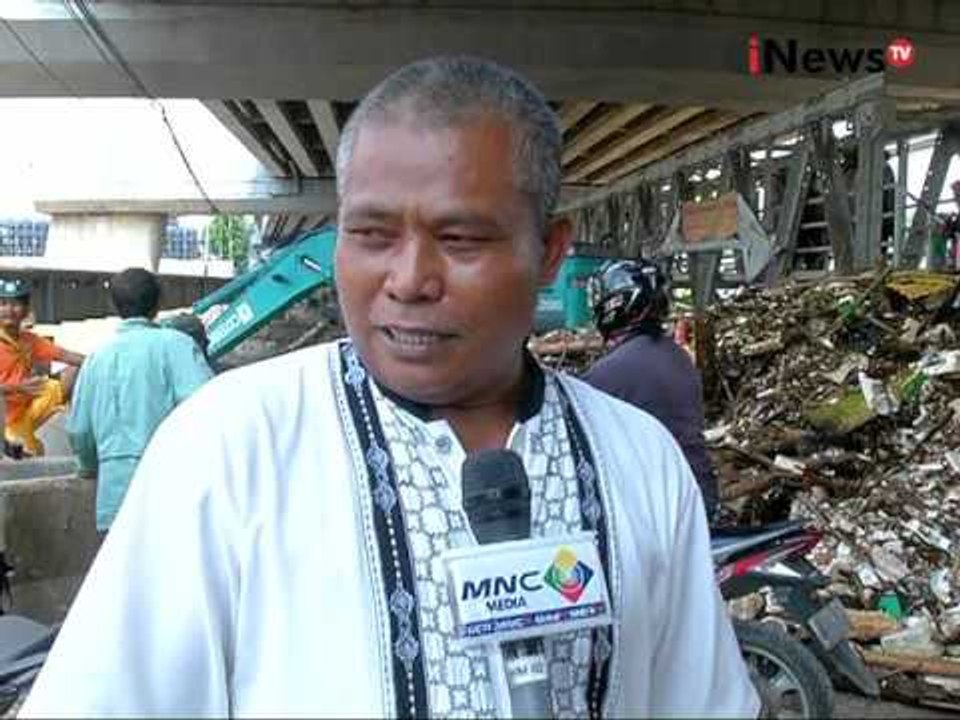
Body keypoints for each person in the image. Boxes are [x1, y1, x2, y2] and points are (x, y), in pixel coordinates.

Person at [23, 57, 758, 718]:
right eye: (372, 235)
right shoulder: (228, 447)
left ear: (550, 253)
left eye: (462, 239)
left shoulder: (640, 459)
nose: (408, 281)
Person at [65, 268, 214, 535]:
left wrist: (88, 466)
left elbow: (80, 430)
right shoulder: (177, 345)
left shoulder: (96, 358)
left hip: (115, 499)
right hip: (172, 493)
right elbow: (208, 410)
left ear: (113, 304)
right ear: (158, 303)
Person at [583, 259, 720, 520]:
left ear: (613, 304)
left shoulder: (610, 372)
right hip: (698, 494)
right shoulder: (676, 356)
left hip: (660, 510)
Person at [0, 277, 84, 456]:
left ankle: (81, 428)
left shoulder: (29, 340)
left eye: (16, 304)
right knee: (30, 455)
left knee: (75, 371)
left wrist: (105, 361)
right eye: (3, 304)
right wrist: (16, 388)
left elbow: (67, 356)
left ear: (26, 309)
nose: (9, 310)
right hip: (5, 418)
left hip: (27, 407)